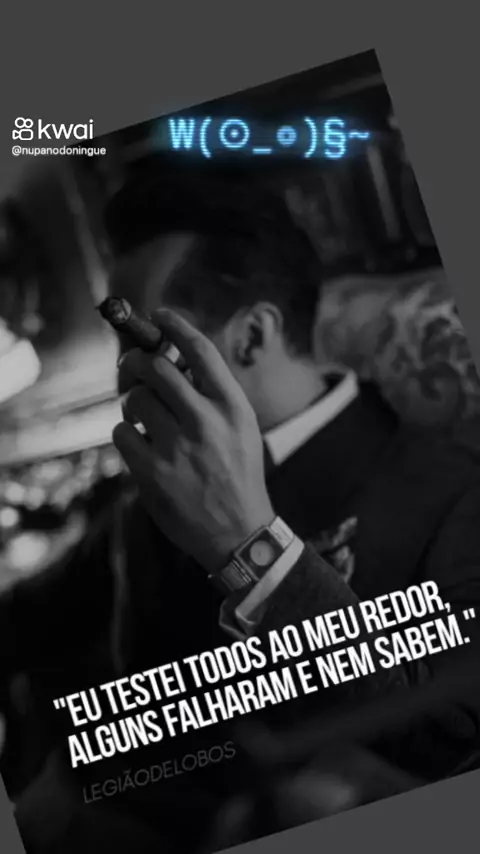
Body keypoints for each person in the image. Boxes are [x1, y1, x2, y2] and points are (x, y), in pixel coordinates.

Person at [3, 167, 480, 851]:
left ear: (252, 337)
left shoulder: (451, 498)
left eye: (139, 344)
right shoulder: (148, 492)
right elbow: (27, 618)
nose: (121, 379)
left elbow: (450, 739)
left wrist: (251, 547)